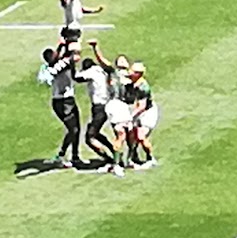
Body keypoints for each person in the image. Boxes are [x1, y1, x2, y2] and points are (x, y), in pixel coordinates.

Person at [38, 43, 82, 167]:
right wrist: (70, 48)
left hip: (68, 100)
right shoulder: (56, 67)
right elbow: (70, 60)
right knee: (73, 129)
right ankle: (61, 155)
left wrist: (62, 45)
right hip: (62, 102)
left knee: (76, 129)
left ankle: (75, 156)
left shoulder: (57, 64)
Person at [78, 40, 119, 168]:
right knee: (96, 131)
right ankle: (113, 150)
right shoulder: (102, 70)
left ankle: (110, 157)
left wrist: (70, 63)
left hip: (99, 107)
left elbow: (77, 77)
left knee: (89, 136)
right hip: (107, 105)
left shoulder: (91, 72)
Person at [126, 62, 158, 169]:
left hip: (147, 113)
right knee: (132, 135)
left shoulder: (143, 87)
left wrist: (130, 116)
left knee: (140, 136)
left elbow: (142, 107)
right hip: (138, 111)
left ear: (138, 74)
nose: (129, 73)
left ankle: (150, 158)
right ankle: (133, 157)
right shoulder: (134, 82)